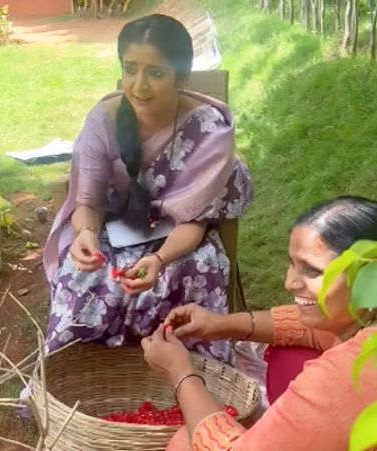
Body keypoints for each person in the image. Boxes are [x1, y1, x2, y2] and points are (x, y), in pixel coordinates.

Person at [42, 14, 253, 362]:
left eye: (155, 73)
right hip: (115, 226)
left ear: (181, 76)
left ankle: (191, 374)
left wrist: (158, 259)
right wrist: (86, 234)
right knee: (85, 273)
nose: (139, 86)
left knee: (194, 270)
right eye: (130, 69)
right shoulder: (103, 120)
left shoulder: (207, 130)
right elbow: (89, 202)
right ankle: (80, 371)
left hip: (183, 234)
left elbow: (195, 222)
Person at [142, 196, 377, 450]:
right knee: (288, 356)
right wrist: (222, 324)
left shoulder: (342, 377)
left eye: (312, 270)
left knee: (184, 443)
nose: (290, 283)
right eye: (292, 263)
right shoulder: (364, 320)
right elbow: (310, 328)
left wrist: (181, 375)